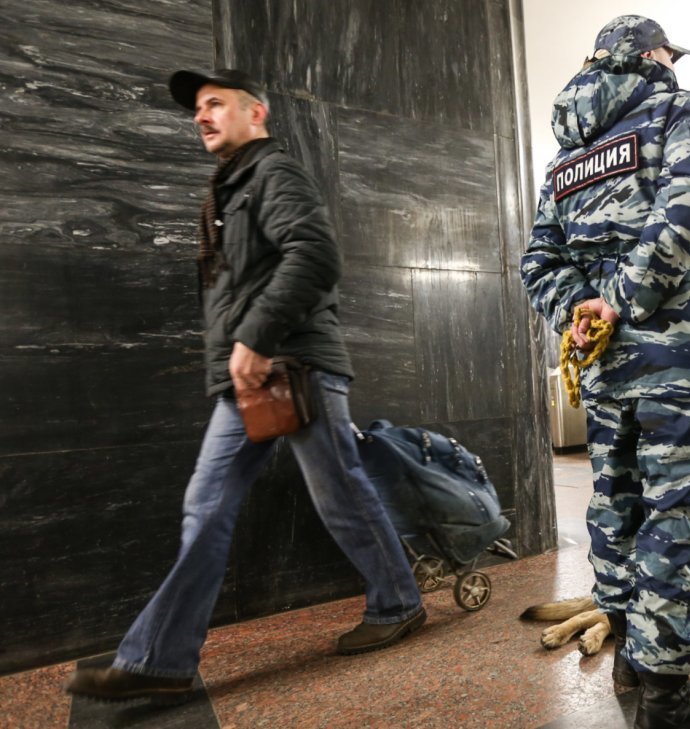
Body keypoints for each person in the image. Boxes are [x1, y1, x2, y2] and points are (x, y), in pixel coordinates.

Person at [66, 69, 425, 702]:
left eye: (215, 104)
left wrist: (255, 337)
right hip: (254, 377)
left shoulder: (273, 174)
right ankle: (160, 661)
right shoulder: (231, 187)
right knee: (207, 505)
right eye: (197, 109)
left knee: (339, 494)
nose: (201, 116)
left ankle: (397, 603)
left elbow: (315, 256)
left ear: (255, 113)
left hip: (295, 368)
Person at [520, 16, 690, 729]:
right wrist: (621, 302)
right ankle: (667, 698)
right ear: (648, 56)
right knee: (674, 522)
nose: (669, 63)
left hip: (605, 372)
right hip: (677, 361)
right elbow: (688, 207)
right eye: (665, 54)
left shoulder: (566, 158)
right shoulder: (673, 108)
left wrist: (585, 313)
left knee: (616, 508)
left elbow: (537, 262)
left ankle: (630, 657)